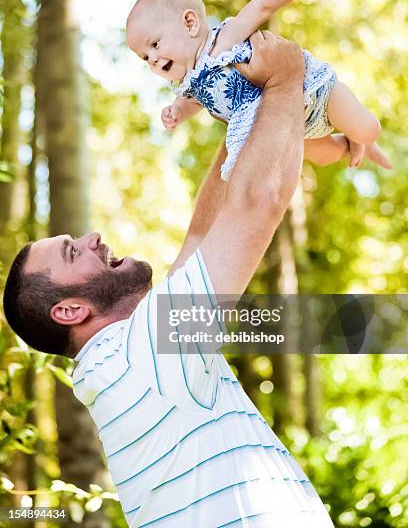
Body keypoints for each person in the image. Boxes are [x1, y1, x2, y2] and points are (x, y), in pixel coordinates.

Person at [3, 33, 334, 527]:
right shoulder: (147, 351)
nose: (93, 236)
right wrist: (285, 78)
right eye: (73, 251)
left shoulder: (124, 362)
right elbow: (258, 201)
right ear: (69, 311)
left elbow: (203, 234)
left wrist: (241, 117)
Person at [126, 0, 391, 179]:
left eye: (155, 44)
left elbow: (261, 6)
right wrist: (177, 112)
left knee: (368, 129)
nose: (153, 60)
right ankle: (351, 143)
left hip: (311, 92)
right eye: (145, 57)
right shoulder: (191, 86)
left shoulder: (223, 41)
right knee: (325, 155)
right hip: (287, 124)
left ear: (190, 23)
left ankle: (362, 139)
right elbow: (191, 103)